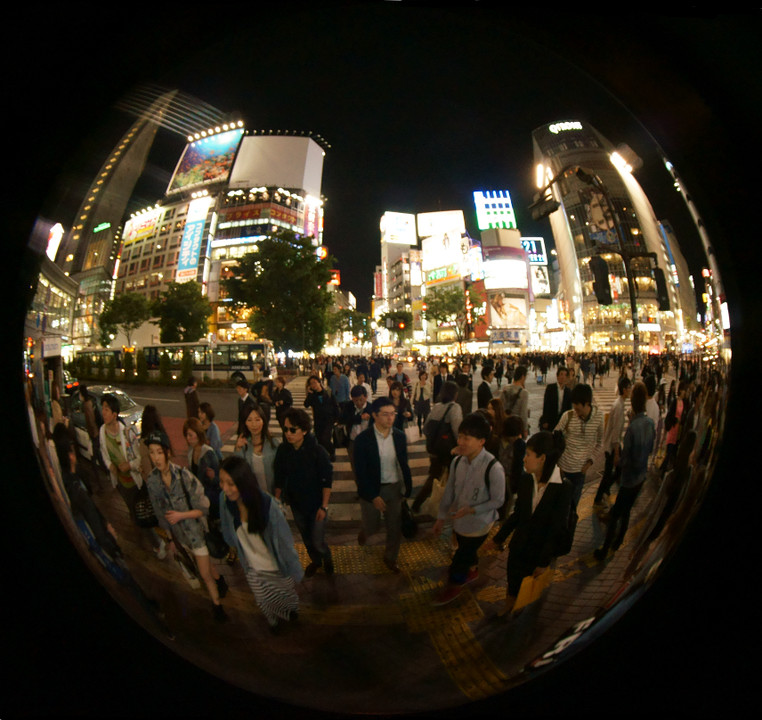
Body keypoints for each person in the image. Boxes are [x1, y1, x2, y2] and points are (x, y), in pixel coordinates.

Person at [485, 430, 573, 617]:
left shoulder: (563, 487)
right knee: (513, 578)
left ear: (542, 458)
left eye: (528, 455)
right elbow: (518, 515)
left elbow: (557, 527)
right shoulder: (527, 479)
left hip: (539, 550)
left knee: (529, 585)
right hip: (519, 544)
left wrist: (543, 561)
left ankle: (521, 609)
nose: (524, 459)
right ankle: (508, 606)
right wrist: (498, 539)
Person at [144, 431, 228, 622]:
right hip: (179, 537)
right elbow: (160, 515)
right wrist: (169, 539)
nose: (155, 457)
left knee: (204, 574)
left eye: (159, 452)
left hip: (196, 533)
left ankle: (218, 607)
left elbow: (203, 508)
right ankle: (220, 582)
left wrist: (181, 515)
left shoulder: (183, 476)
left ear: (167, 452)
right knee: (204, 566)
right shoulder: (152, 481)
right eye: (151, 452)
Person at [219, 455, 303, 633]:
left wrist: (294, 568)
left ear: (243, 482)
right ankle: (273, 623)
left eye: (231, 483)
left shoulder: (266, 505)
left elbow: (284, 542)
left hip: (275, 565)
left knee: (286, 595)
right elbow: (228, 531)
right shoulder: (225, 501)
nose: (225, 489)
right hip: (252, 567)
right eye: (222, 482)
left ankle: (291, 611)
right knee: (263, 599)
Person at [432, 413, 506, 605]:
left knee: (459, 559)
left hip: (479, 524)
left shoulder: (493, 468)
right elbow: (449, 491)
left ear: (481, 441)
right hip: (459, 522)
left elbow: (498, 500)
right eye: (460, 436)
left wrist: (472, 510)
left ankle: (454, 587)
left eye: (467, 438)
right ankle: (472, 570)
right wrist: (440, 518)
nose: (461, 442)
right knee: (466, 550)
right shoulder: (458, 462)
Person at [99, 393, 166, 559]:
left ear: (115, 414)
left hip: (134, 482)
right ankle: (147, 538)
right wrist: (110, 466)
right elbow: (104, 453)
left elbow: (139, 459)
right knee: (133, 511)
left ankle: (158, 543)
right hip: (121, 483)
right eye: (103, 409)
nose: (103, 412)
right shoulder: (102, 432)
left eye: (106, 409)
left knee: (141, 511)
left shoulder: (127, 433)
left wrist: (129, 465)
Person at [594, 382, 655, 561]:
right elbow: (650, 448)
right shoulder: (649, 423)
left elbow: (625, 457)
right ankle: (619, 540)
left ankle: (605, 550)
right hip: (641, 476)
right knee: (626, 510)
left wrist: (619, 462)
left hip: (628, 478)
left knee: (616, 515)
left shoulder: (633, 428)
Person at [353, 397, 413, 573]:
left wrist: (406, 489)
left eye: (392, 414)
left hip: (394, 488)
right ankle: (365, 531)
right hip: (372, 488)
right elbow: (360, 471)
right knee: (372, 525)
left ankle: (390, 557)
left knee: (394, 526)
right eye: (385, 414)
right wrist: (373, 496)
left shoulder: (400, 437)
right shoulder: (363, 439)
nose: (390, 418)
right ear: (374, 415)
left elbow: (403, 464)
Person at [273, 408, 334, 577]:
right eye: (285, 429)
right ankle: (316, 561)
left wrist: (324, 506)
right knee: (306, 539)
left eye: (293, 430)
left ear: (305, 430)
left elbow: (327, 480)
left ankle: (327, 558)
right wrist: (277, 501)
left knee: (317, 540)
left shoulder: (317, 452)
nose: (288, 434)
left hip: (316, 506)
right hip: (297, 505)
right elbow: (279, 476)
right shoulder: (284, 451)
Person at [413, 381, 463, 513]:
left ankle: (418, 502)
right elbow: (457, 430)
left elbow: (427, 427)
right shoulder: (455, 408)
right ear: (455, 394)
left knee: (434, 476)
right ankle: (447, 505)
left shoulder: (437, 406)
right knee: (451, 477)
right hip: (448, 450)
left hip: (434, 448)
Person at [554, 383, 604, 512]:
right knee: (559, 505)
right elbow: (555, 438)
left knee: (573, 506)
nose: (575, 409)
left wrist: (590, 462)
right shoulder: (568, 416)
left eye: (578, 406)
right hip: (563, 470)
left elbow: (600, 442)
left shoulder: (598, 417)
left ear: (587, 404)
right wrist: (558, 464)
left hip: (580, 472)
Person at [593, 375, 632, 510]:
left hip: (611, 444)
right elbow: (616, 432)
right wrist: (616, 453)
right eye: (629, 388)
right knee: (610, 473)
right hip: (612, 446)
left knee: (613, 472)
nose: (630, 390)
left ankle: (605, 491)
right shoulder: (619, 406)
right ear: (624, 389)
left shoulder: (619, 404)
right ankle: (599, 497)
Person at [235, 404, 280, 495]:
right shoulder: (243, 444)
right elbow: (239, 472)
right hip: (253, 496)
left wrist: (278, 495)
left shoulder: (274, 443)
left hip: (273, 496)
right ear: (245, 423)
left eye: (257, 419)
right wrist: (238, 449)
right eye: (249, 420)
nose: (254, 424)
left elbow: (281, 472)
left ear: (263, 421)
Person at [184, 417, 222, 521]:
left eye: (191, 435)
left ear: (198, 434)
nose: (188, 438)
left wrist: (213, 478)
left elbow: (220, 480)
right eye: (186, 435)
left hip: (210, 498)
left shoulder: (208, 453)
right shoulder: (191, 452)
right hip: (198, 497)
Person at [304, 374, 339, 461]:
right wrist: (309, 394)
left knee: (325, 438)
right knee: (319, 440)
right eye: (311, 384)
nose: (313, 385)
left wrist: (337, 419)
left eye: (314, 382)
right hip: (318, 420)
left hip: (329, 420)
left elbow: (335, 406)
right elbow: (306, 404)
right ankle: (323, 455)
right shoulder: (312, 395)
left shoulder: (328, 392)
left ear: (319, 383)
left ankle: (332, 451)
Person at [340, 384, 371, 473]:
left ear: (366, 397)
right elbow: (342, 419)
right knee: (355, 466)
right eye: (355, 400)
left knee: (368, 466)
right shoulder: (348, 406)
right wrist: (359, 418)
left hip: (367, 443)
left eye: (361, 399)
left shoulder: (371, 408)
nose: (358, 403)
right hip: (352, 442)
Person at [539, 366, 571, 431]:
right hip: (551, 419)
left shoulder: (568, 391)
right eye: (561, 374)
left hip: (562, 420)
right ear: (557, 376)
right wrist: (545, 420)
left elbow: (569, 407)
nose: (563, 377)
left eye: (565, 375)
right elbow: (546, 404)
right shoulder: (550, 388)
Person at [501, 365, 529, 435]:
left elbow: (501, 406)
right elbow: (523, 413)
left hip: (505, 423)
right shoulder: (524, 392)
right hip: (516, 425)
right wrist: (525, 429)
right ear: (522, 377)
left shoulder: (505, 388)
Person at [411, 370, 433, 436]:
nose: (423, 377)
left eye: (424, 375)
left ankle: (425, 430)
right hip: (418, 402)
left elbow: (429, 393)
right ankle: (419, 430)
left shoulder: (428, 384)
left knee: (426, 417)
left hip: (426, 402)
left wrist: (424, 386)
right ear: (420, 376)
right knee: (419, 417)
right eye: (422, 375)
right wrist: (411, 401)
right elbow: (413, 393)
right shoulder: (417, 383)